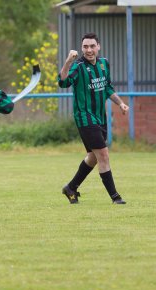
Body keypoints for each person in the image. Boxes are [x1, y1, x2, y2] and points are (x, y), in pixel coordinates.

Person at [58, 32, 129, 204]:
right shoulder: (78, 66)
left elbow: (108, 88)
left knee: (93, 157)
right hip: (84, 117)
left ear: (98, 46)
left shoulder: (104, 64)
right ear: (82, 48)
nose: (88, 50)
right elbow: (63, 82)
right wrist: (68, 61)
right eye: (85, 47)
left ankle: (71, 187)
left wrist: (120, 103)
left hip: (99, 117)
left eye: (92, 46)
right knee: (103, 155)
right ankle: (115, 197)